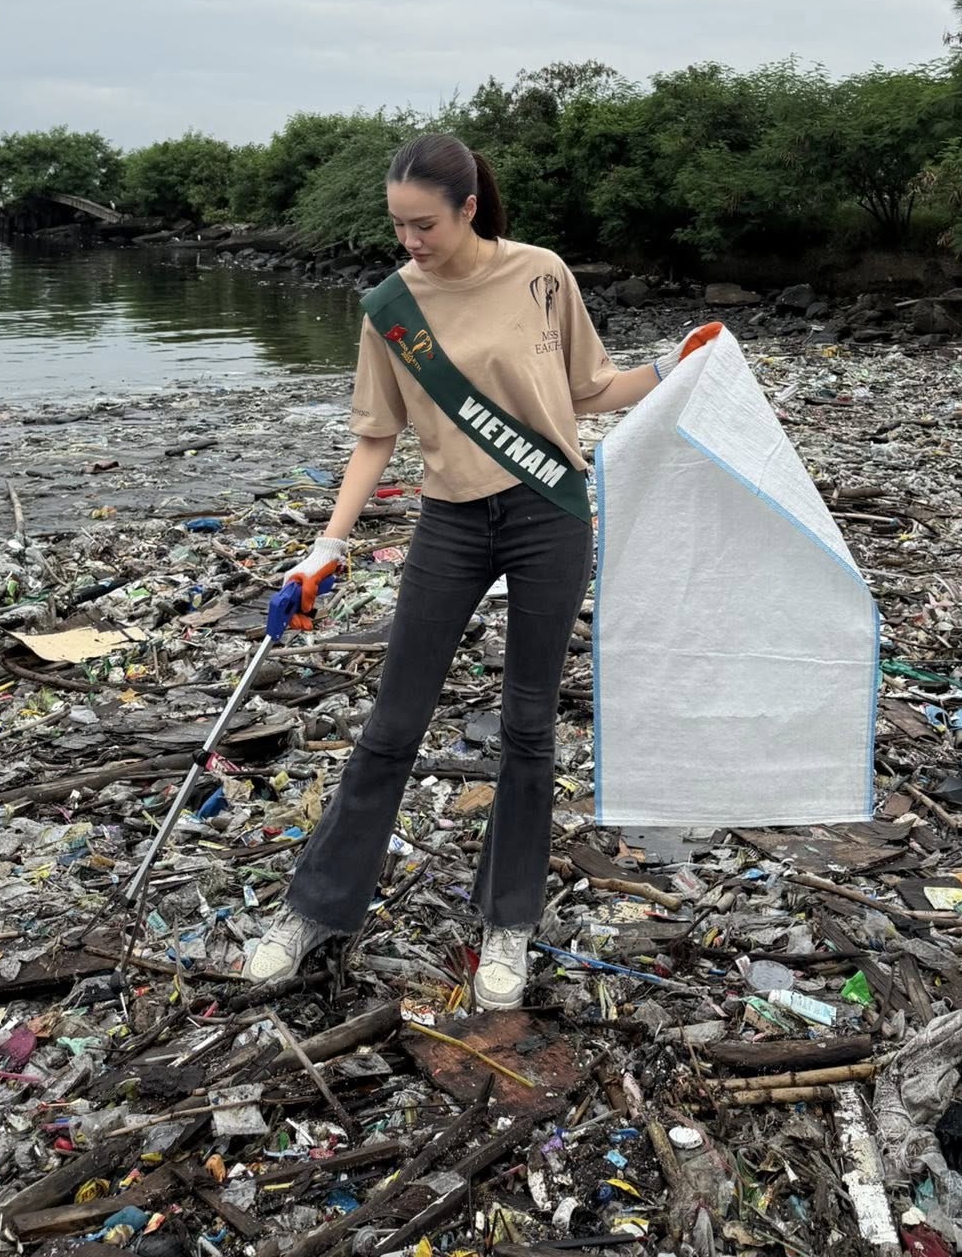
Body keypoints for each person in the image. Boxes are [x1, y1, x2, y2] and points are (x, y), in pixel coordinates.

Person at [242, 134, 708, 1009]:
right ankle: (314, 910)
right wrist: (328, 546)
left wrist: (677, 365)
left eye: (424, 224)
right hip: (450, 523)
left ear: (467, 207)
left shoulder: (541, 275)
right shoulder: (391, 307)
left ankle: (508, 922)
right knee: (392, 723)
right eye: (397, 226)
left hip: (548, 518)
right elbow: (375, 436)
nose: (409, 241)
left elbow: (588, 388)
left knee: (530, 728)